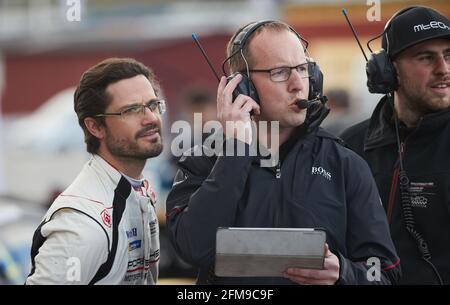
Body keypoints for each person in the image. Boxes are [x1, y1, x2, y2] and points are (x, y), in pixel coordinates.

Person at [166, 20, 401, 285]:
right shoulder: (204, 160)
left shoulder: (345, 165)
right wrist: (235, 153)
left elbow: (384, 274)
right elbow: (195, 247)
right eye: (279, 72)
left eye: (302, 69)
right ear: (243, 88)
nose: (298, 85)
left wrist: (343, 273)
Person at [26, 58, 165, 284]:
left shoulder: (138, 190)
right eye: (131, 110)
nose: (151, 118)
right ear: (95, 127)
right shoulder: (82, 224)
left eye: (152, 105)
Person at [341, 6, 450, 285]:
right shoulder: (350, 147)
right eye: (426, 58)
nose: (443, 69)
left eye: (449, 56)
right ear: (388, 71)